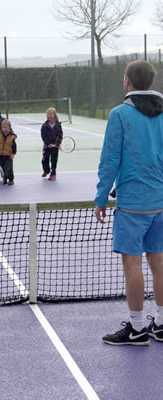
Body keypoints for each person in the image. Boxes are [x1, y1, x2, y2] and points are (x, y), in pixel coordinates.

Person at [94, 60, 163, 346]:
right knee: (159, 263)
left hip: (132, 205)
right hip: (161, 203)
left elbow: (110, 159)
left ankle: (136, 329)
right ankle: (160, 324)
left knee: (132, 266)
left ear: (127, 82)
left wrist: (100, 197)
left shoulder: (119, 114)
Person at [0, 119, 17, 185]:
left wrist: (13, 153)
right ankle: (4, 179)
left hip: (8, 155)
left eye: (6, 127)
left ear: (9, 128)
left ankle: (11, 179)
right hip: (0, 154)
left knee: (8, 168)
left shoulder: (12, 136)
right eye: (3, 127)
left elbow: (14, 146)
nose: (4, 129)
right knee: (2, 168)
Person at [40, 107, 63, 181]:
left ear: (54, 115)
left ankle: (53, 174)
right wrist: (48, 143)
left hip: (55, 147)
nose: (49, 116)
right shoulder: (44, 125)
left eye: (51, 114)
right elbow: (43, 136)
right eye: (48, 114)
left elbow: (60, 135)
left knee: (54, 160)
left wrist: (56, 144)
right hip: (47, 146)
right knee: (44, 160)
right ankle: (46, 171)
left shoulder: (58, 125)